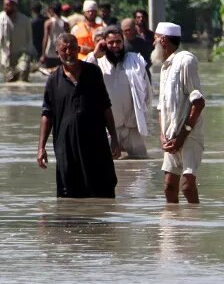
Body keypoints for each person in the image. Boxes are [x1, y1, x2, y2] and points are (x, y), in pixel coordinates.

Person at [37, 33, 121, 198]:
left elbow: (106, 107)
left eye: (72, 48)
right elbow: (47, 114)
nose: (68, 53)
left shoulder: (93, 73)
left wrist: (114, 138)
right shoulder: (53, 80)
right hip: (66, 147)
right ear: (57, 52)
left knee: (102, 190)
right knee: (69, 193)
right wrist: (41, 147)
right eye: (64, 49)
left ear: (78, 49)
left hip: (96, 144)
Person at [156, 22, 206, 204]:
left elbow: (198, 103)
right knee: (169, 187)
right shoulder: (165, 67)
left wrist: (182, 135)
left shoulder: (186, 60)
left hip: (189, 135)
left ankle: (193, 227)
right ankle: (172, 228)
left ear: (163, 40)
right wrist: (163, 135)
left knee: (187, 186)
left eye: (155, 38)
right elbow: (161, 107)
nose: (153, 42)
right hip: (171, 137)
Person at [87, 25, 151, 159]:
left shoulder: (135, 62)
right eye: (111, 42)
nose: (115, 45)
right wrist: (95, 55)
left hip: (132, 128)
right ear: (104, 43)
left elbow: (147, 93)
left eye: (118, 42)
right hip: (107, 129)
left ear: (123, 42)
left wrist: (142, 120)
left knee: (141, 167)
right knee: (107, 168)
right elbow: (82, 80)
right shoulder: (97, 62)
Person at [0, 0, 33, 82]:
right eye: (5, 4)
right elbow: (0, 39)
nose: (6, 7)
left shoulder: (25, 20)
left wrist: (30, 53)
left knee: (23, 72)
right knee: (9, 81)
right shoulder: (0, 18)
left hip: (22, 54)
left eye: (8, 5)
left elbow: (29, 38)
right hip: (6, 55)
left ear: (14, 6)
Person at [121, 17, 153, 82]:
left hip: (142, 77)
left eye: (129, 30)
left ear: (134, 28)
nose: (127, 32)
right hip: (126, 78)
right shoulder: (120, 44)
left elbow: (149, 60)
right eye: (125, 30)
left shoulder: (142, 43)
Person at [42, 2, 67, 69]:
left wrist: (43, 54)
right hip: (62, 51)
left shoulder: (48, 23)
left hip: (50, 51)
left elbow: (45, 38)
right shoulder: (65, 23)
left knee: (50, 73)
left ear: (51, 10)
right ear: (61, 10)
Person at [29, 1, 46, 73]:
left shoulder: (31, 22)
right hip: (46, 48)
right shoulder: (46, 20)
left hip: (35, 48)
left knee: (35, 68)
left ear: (32, 10)